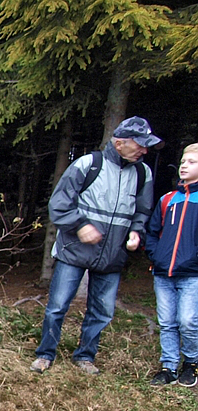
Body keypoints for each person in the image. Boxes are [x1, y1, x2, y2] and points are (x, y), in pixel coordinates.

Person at [31, 116, 160, 375]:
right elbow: (59, 204)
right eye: (140, 145)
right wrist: (80, 226)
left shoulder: (143, 173)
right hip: (74, 251)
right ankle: (45, 354)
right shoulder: (88, 164)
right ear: (120, 143)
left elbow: (143, 210)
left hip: (112, 255)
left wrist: (136, 232)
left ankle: (85, 357)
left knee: (102, 312)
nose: (144, 151)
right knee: (57, 307)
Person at [146, 143, 198, 387]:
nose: (184, 166)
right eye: (183, 161)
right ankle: (169, 367)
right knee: (167, 322)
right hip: (163, 273)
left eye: (192, 162)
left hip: (192, 274)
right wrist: (156, 256)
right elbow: (152, 232)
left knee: (188, 321)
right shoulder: (167, 199)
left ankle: (191, 363)